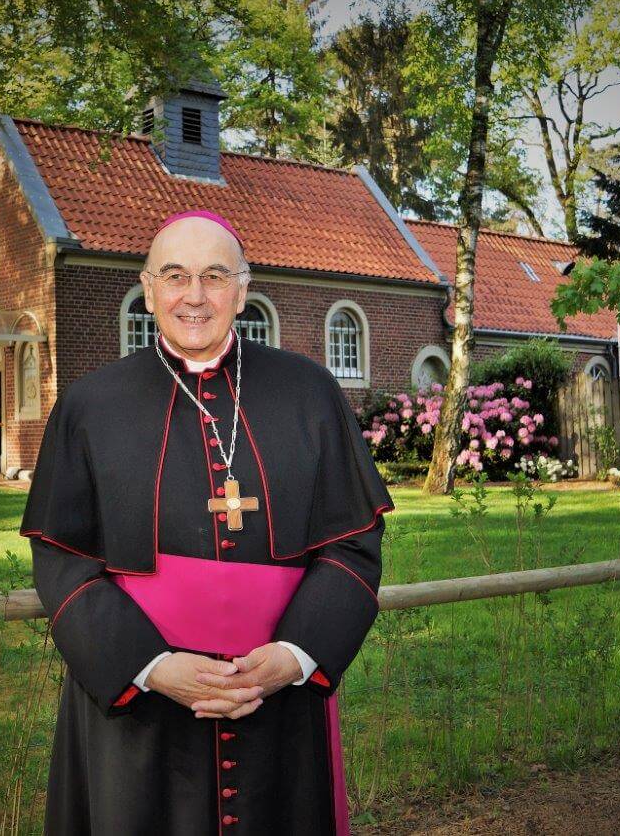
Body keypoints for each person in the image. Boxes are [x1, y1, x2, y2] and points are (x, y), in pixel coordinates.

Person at [21, 209, 394, 834]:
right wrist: (149, 667)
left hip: (276, 698)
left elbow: (353, 544)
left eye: (215, 276)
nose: (194, 296)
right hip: (140, 709)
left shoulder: (309, 391)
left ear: (243, 291)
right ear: (147, 289)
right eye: (174, 275)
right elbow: (63, 559)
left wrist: (295, 655)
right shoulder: (90, 405)